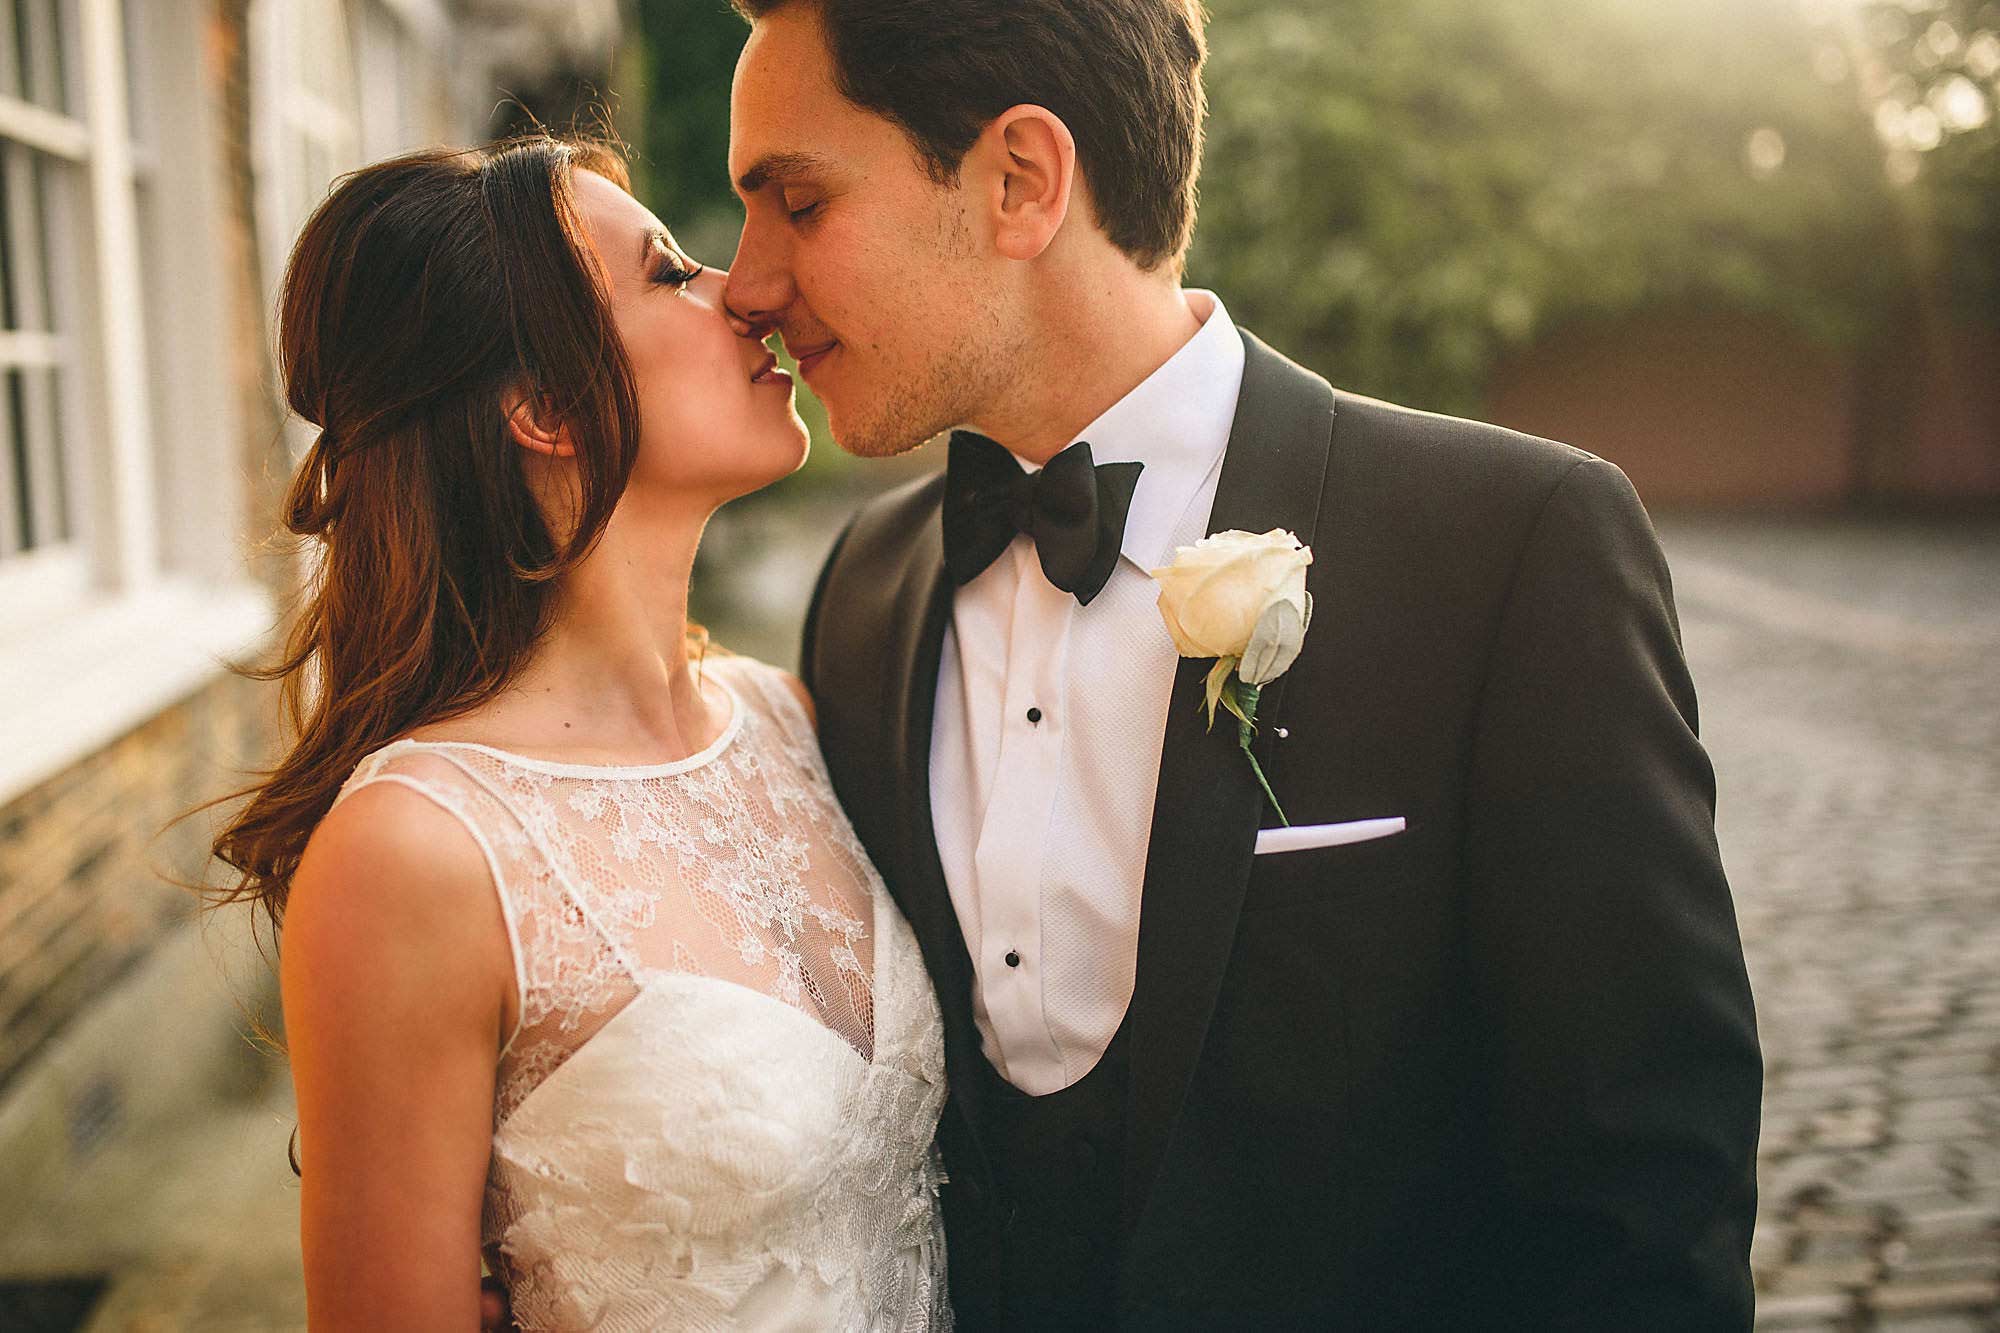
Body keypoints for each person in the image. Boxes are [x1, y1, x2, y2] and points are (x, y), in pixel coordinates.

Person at [715, 0, 1765, 1327]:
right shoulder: (864, 593)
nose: (745, 281)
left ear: (1021, 181)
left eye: (798, 204)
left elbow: (1648, 1187)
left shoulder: (1510, 546)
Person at [213, 136, 951, 1329]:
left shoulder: (789, 717)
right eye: (667, 272)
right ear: (547, 409)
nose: (746, 293)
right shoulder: (420, 850)